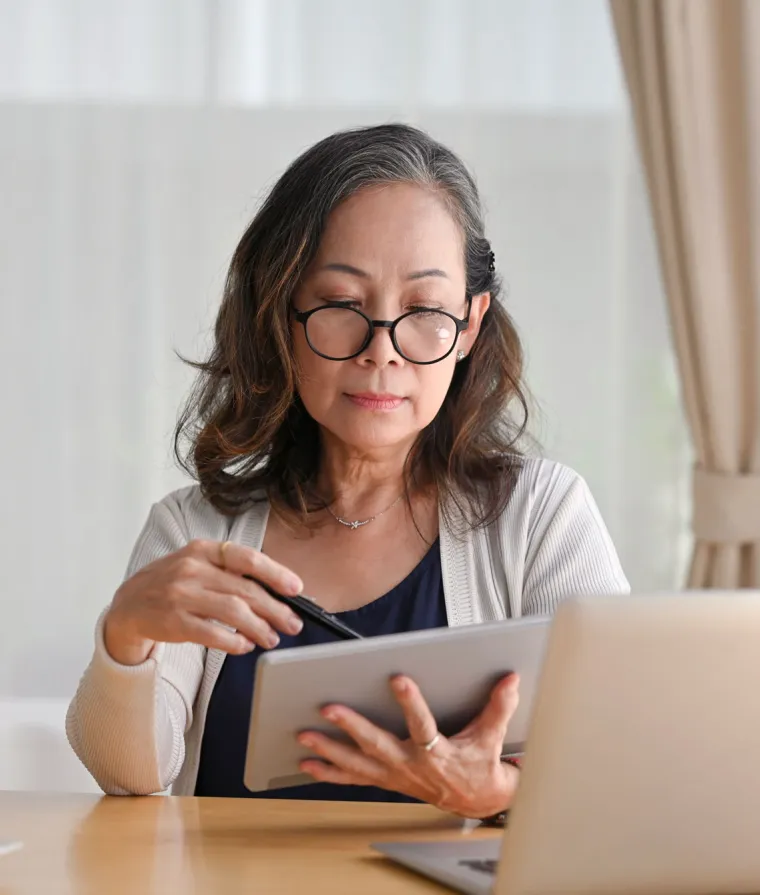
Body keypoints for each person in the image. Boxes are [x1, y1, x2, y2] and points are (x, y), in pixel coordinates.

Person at [66, 123, 629, 821]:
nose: (381, 350)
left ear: (470, 323)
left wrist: (503, 796)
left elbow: (621, 757)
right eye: (342, 306)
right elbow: (130, 776)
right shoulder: (194, 528)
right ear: (281, 315)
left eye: (423, 310)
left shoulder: (541, 514)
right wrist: (125, 635)